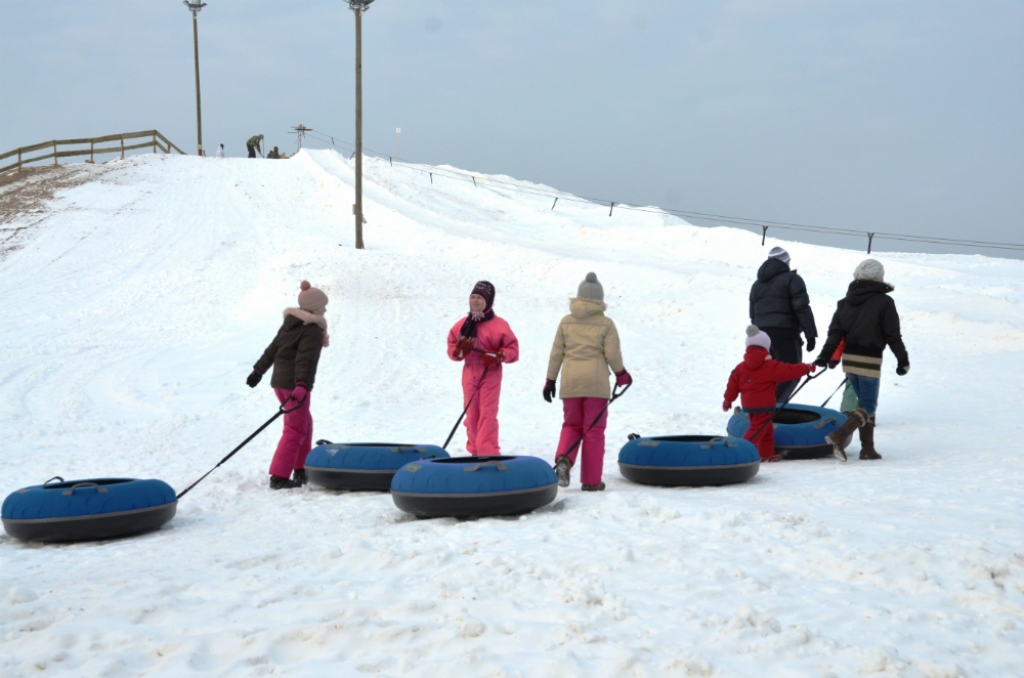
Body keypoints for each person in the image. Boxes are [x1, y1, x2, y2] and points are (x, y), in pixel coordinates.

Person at [815, 259, 909, 462]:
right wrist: (903, 359)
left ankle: (868, 449)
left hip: (850, 361)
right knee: (868, 406)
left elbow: (834, 333)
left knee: (863, 406)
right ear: (878, 278)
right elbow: (893, 335)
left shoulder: (845, 302)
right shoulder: (884, 302)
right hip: (869, 361)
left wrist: (824, 356)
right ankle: (839, 435)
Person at [545, 273, 631, 491]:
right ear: (599, 299)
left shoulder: (566, 321)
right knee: (593, 431)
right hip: (596, 384)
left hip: (571, 382)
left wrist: (550, 380)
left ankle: (564, 458)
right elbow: (612, 353)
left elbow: (556, 353)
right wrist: (621, 374)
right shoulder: (606, 323)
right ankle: (592, 482)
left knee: (571, 425)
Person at [247, 281, 330, 489]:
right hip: (295, 385)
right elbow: (304, 359)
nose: (325, 309)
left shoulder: (291, 324)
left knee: (304, 423)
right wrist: (301, 384)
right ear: (313, 307)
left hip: (283, 383)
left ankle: (301, 468)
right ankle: (279, 476)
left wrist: (257, 371)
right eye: (322, 305)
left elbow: (272, 349)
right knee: (295, 428)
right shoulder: (310, 330)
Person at [446, 281, 519, 456]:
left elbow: (513, 350)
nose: (475, 301)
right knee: (472, 414)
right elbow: (451, 347)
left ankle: (488, 453)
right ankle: (474, 451)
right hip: (469, 371)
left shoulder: (499, 325)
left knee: (487, 413)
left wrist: (498, 356)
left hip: (490, 372)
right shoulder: (462, 325)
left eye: (480, 298)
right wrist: (458, 351)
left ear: (488, 301)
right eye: (473, 297)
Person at [723, 325, 816, 462]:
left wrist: (728, 400)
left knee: (766, 430)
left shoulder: (741, 367)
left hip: (749, 405)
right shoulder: (769, 366)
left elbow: (732, 385)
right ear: (766, 348)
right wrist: (807, 367)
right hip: (764, 406)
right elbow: (790, 371)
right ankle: (738, 452)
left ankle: (766, 454)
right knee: (757, 431)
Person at [749, 246, 818, 403]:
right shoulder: (792, 280)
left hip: (761, 336)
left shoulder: (757, 284)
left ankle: (759, 407)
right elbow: (802, 309)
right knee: (791, 374)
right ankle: (769, 410)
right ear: (786, 263)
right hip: (785, 335)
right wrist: (811, 334)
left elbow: (753, 315)